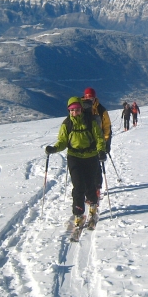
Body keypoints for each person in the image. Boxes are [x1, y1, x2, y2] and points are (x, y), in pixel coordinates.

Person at [45, 96, 106, 229]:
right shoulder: (67, 124)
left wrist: (101, 151)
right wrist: (54, 148)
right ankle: (78, 214)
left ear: (81, 109)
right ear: (69, 110)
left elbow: (99, 138)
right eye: (72, 110)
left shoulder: (90, 121)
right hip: (74, 158)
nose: (74, 112)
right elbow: (62, 141)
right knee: (78, 186)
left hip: (91, 156)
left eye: (77, 109)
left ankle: (93, 205)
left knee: (90, 185)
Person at [83, 87, 111, 196]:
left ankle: (97, 187)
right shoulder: (80, 108)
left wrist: (105, 142)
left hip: (98, 141)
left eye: (91, 97)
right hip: (85, 141)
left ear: (95, 98)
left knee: (96, 165)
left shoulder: (101, 109)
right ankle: (88, 188)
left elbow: (106, 126)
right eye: (87, 97)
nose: (89, 99)